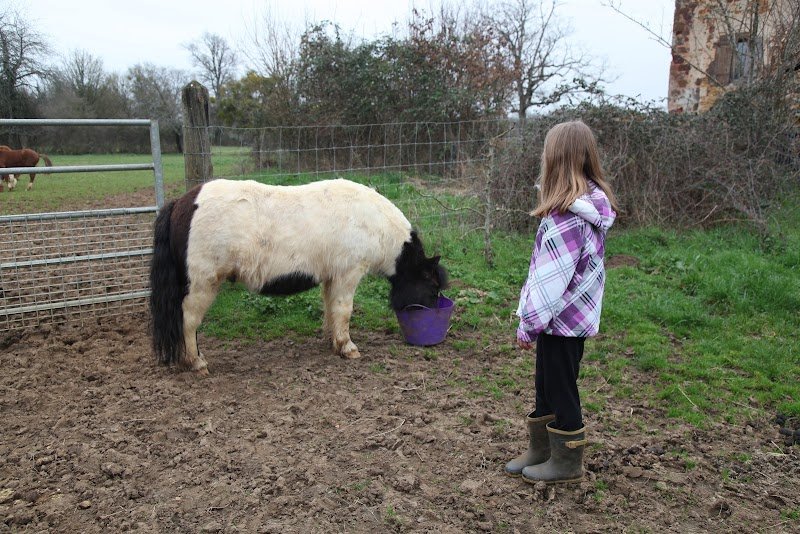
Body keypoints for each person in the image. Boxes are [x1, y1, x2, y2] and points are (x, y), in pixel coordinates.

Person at [505, 120, 618, 484]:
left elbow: (550, 280)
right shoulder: (585, 211)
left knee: (561, 387)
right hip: (571, 318)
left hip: (560, 318)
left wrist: (529, 324)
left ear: (554, 160)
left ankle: (567, 462)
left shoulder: (567, 218)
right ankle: (542, 450)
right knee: (548, 382)